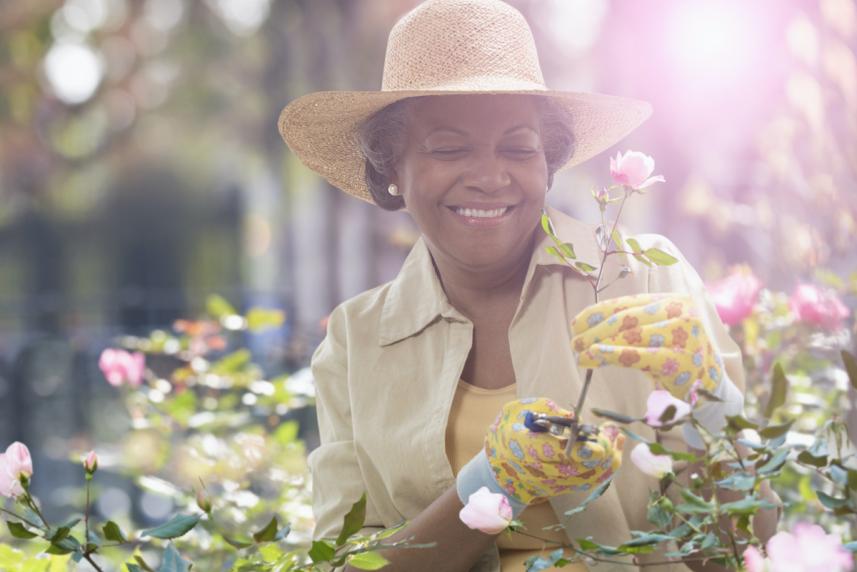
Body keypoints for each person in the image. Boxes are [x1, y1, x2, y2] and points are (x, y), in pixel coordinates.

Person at [278, 1, 777, 570]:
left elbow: (746, 546)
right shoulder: (356, 341)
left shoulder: (644, 279)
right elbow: (345, 562)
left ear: (549, 162)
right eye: (448, 148)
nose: (491, 177)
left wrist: (712, 406)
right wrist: (491, 485)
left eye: (518, 148)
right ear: (392, 165)